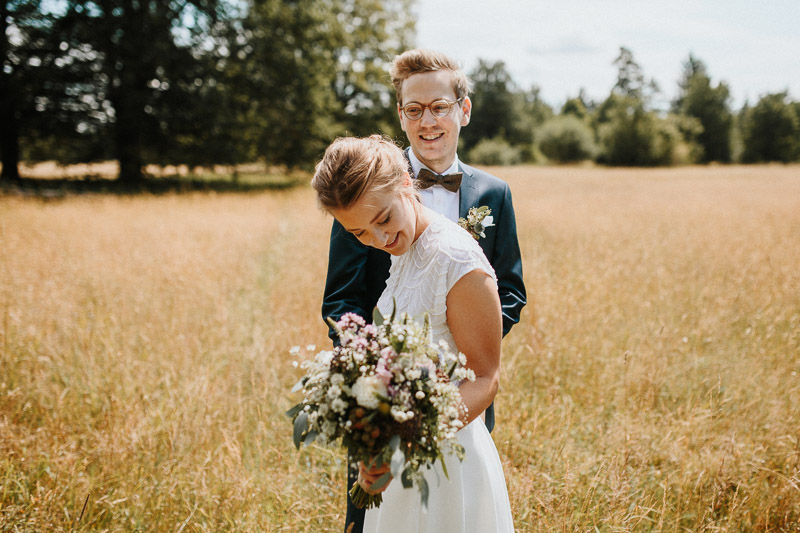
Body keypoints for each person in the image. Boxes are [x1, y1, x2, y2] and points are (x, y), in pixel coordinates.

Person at [321, 49, 526, 533]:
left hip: (457, 398)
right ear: (401, 115)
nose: (427, 120)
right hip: (384, 402)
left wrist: (455, 349)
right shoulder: (363, 191)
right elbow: (343, 299)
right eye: (414, 109)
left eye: (439, 106)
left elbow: (507, 290)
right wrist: (375, 386)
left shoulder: (492, 194)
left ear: (463, 109)